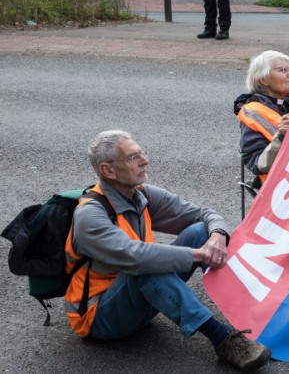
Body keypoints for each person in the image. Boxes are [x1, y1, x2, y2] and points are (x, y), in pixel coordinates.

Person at [65, 130, 271, 371]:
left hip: (138, 297)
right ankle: (224, 340)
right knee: (147, 264)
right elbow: (136, 257)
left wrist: (217, 235)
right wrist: (198, 255)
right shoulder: (90, 215)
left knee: (199, 231)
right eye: (133, 157)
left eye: (141, 152)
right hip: (100, 319)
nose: (145, 160)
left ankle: (251, 311)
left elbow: (205, 214)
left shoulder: (140, 193)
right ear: (108, 171)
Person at [235, 50, 289, 184]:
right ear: (263, 79)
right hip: (283, 182)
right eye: (283, 70)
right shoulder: (253, 112)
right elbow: (257, 163)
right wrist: (281, 137)